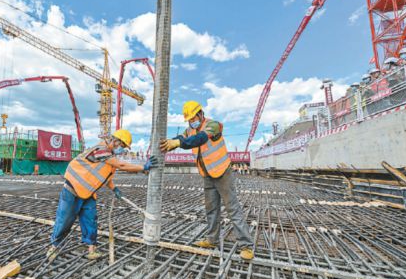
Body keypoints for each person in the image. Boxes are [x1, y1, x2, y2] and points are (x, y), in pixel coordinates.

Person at [160, 101, 254, 260]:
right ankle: (212, 239)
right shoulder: (190, 129)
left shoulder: (213, 125)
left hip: (222, 172)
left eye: (193, 118)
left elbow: (200, 139)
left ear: (200, 114)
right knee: (211, 209)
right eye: (189, 119)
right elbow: (182, 137)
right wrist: (171, 142)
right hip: (207, 174)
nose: (192, 121)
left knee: (232, 208)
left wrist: (178, 143)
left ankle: (246, 246)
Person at [47, 129, 157, 261]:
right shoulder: (101, 149)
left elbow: (105, 176)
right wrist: (143, 167)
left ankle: (91, 250)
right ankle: (54, 248)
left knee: (90, 221)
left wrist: (114, 188)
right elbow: (122, 165)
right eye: (121, 146)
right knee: (64, 220)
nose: (122, 150)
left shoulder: (109, 156)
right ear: (114, 141)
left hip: (88, 193)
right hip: (73, 189)